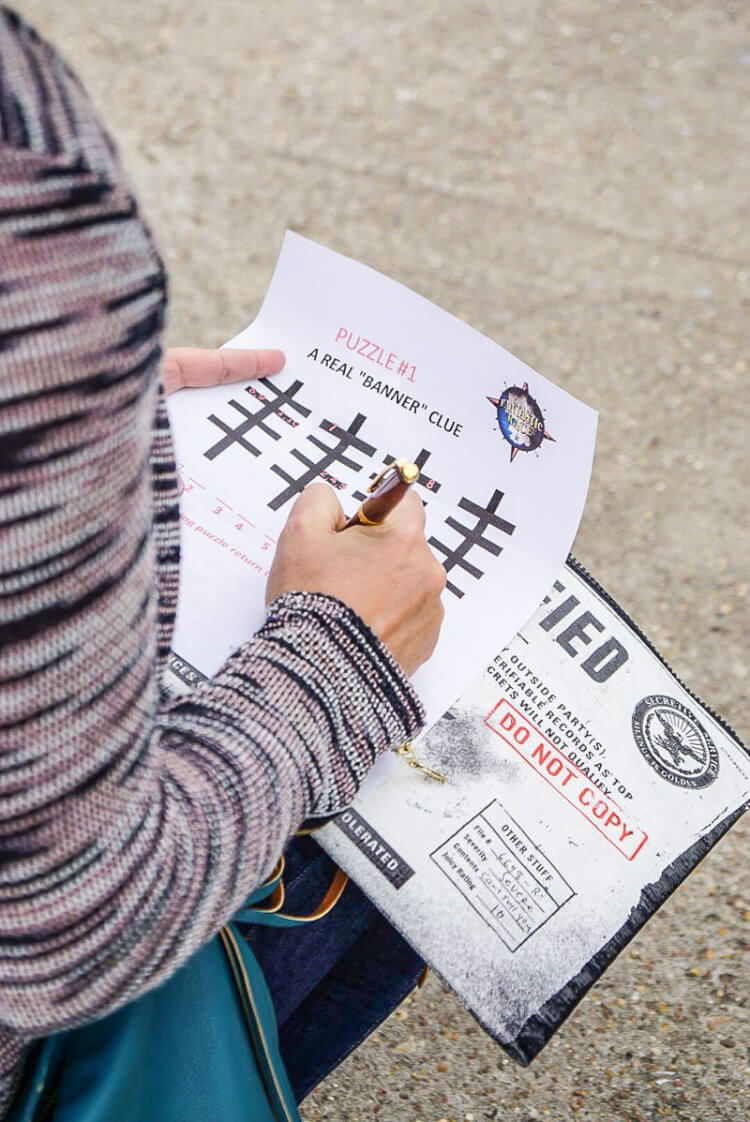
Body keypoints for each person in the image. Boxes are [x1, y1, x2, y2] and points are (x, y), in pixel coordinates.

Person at [0, 7, 445, 1116]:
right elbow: (75, 917)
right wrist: (334, 666)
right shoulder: (26, 200)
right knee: (431, 775)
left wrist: (73, 424)